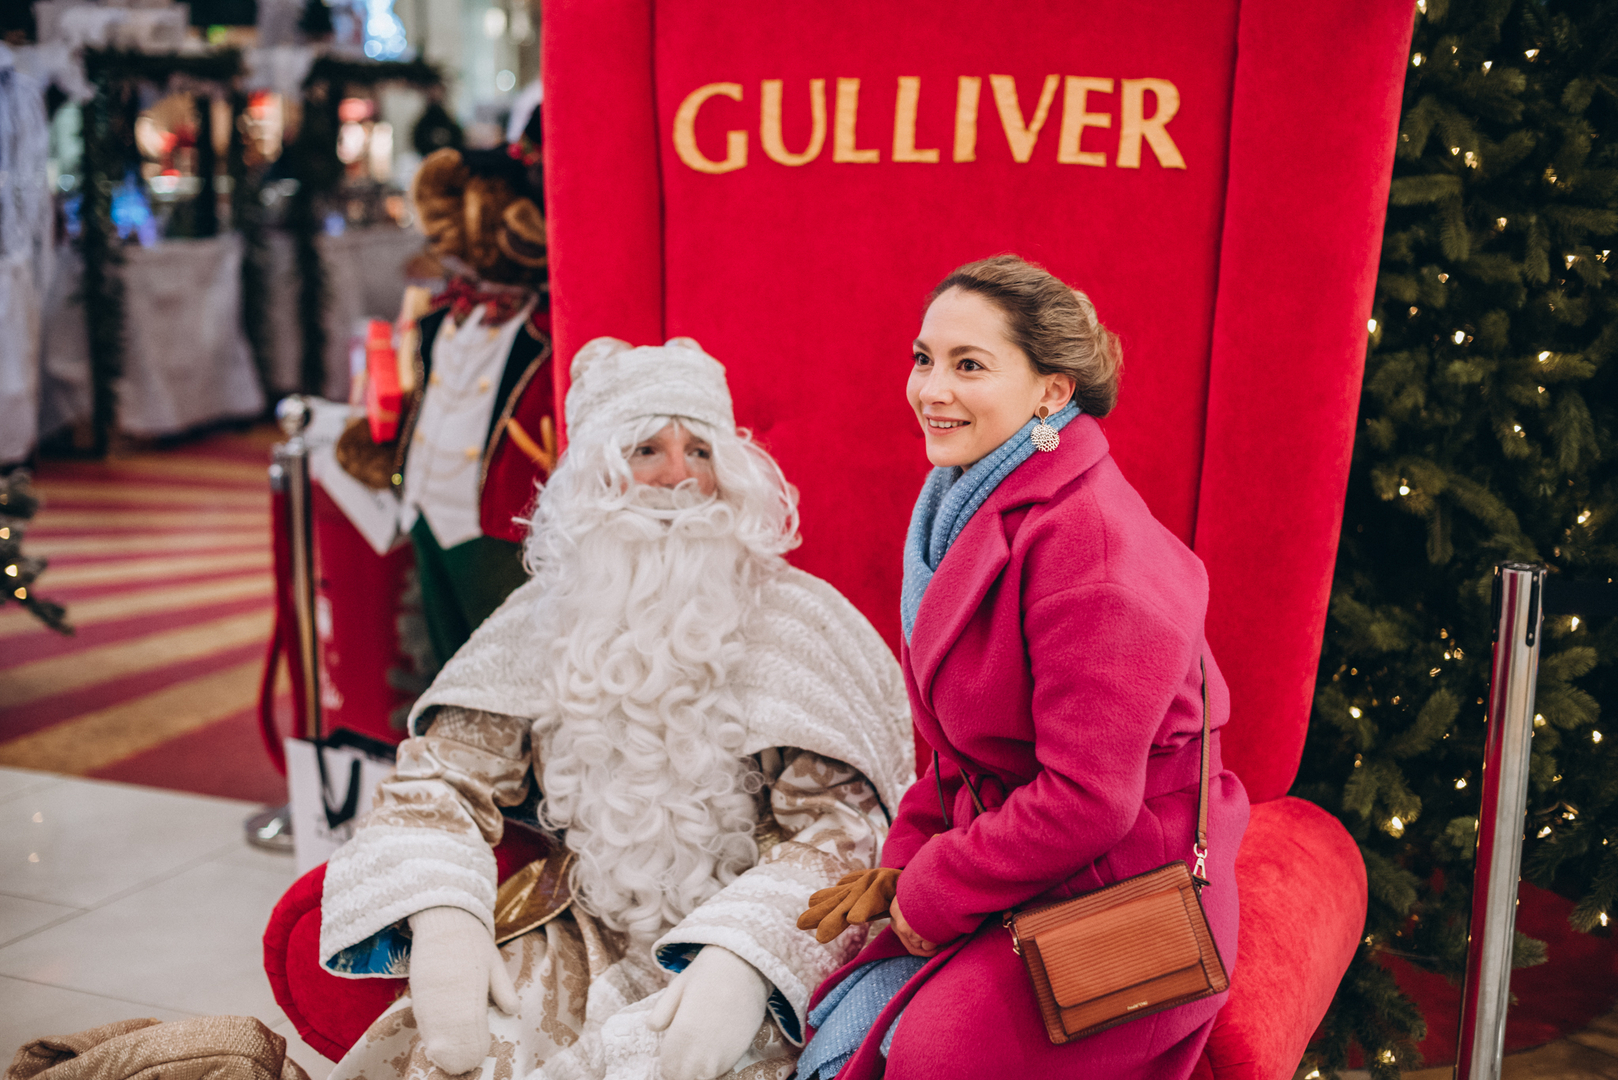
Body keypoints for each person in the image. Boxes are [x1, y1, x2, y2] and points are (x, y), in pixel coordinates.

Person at [318, 336, 915, 1080]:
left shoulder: (797, 621)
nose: (677, 477)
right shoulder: (542, 618)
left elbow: (845, 831)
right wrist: (446, 916)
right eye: (646, 451)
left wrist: (743, 960)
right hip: (586, 930)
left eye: (700, 452)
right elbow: (440, 777)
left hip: (745, 945)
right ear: (597, 477)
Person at [795, 255, 1249, 1080]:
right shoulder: (963, 503)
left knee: (930, 1056)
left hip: (1131, 890)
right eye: (924, 358)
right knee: (845, 1008)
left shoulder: (1095, 549)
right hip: (1022, 854)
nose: (932, 388)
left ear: (1052, 391)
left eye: (969, 365)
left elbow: (1087, 800)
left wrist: (929, 890)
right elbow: (967, 750)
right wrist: (906, 857)